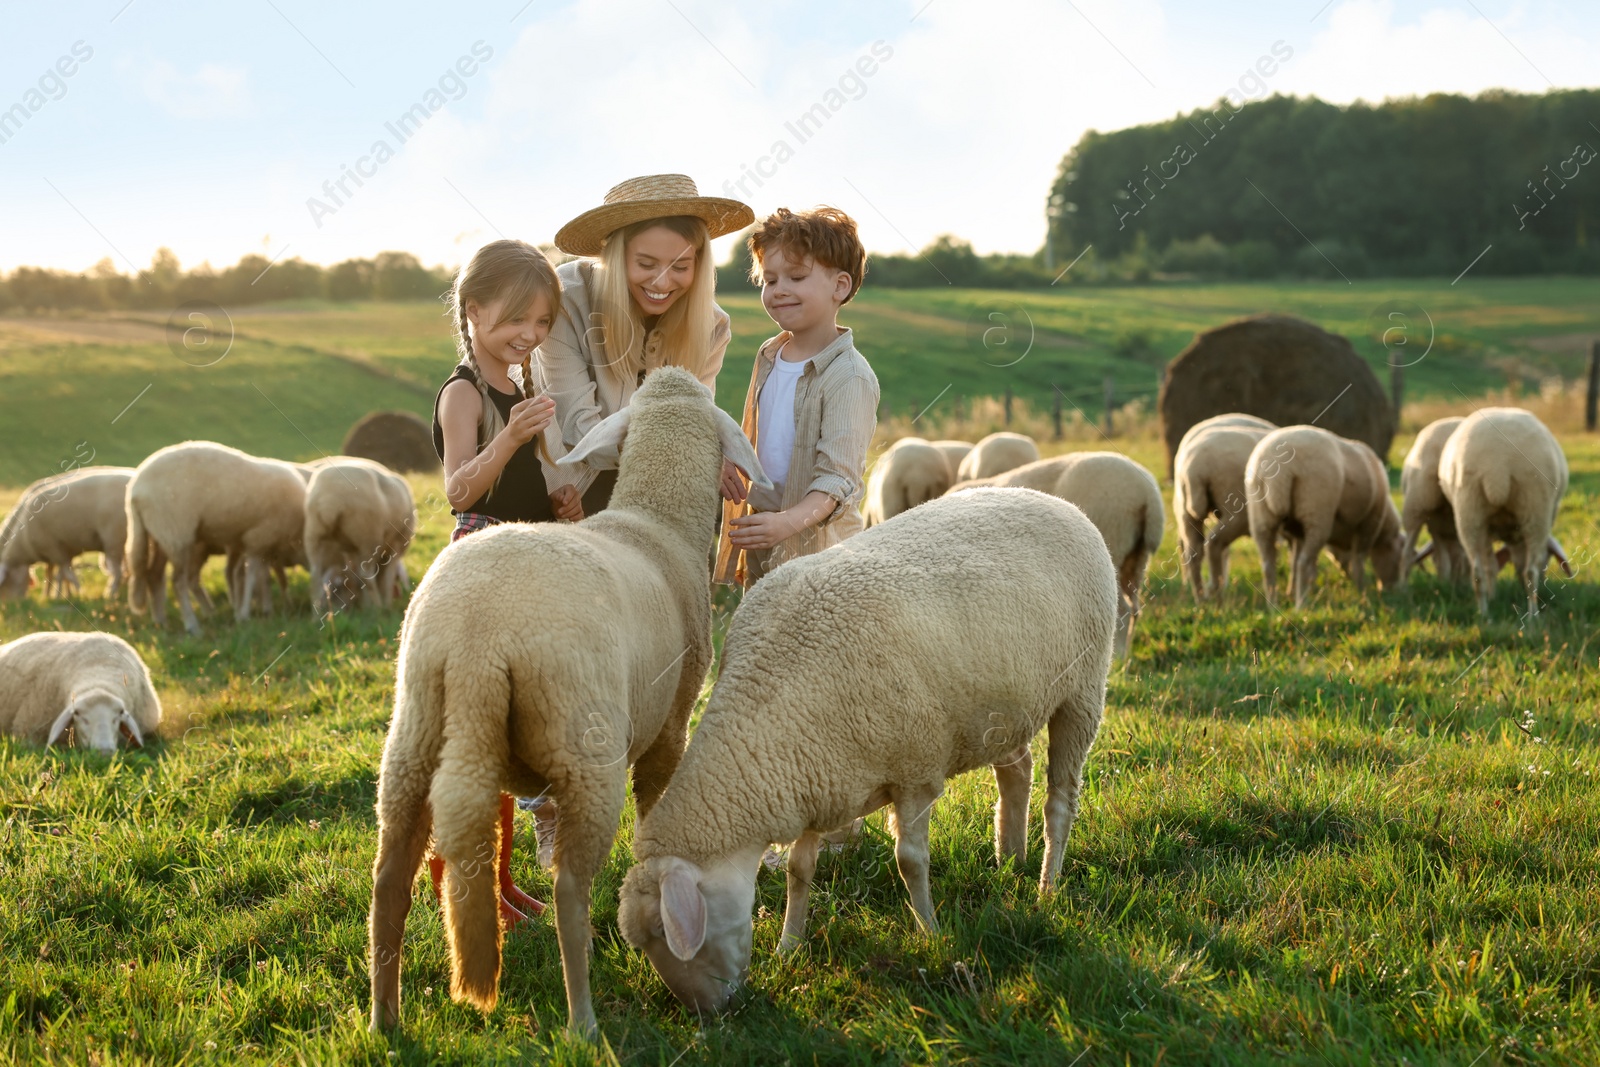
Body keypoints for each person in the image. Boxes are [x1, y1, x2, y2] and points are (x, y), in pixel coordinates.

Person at [427, 238, 581, 929]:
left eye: (543, 322)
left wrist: (560, 497)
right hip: (482, 566)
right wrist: (512, 437)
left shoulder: (519, 388)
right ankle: (460, 880)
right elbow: (461, 487)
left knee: (507, 743)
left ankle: (503, 878)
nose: (530, 334)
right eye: (517, 318)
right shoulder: (463, 392)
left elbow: (525, 478)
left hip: (524, 559)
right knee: (474, 741)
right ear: (473, 310)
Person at [538, 173, 755, 515]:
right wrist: (687, 450)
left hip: (650, 489)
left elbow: (693, 415)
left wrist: (707, 450)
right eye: (645, 264)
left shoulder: (712, 327)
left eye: (680, 266)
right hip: (562, 491)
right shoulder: (566, 300)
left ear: (698, 264)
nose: (662, 282)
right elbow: (579, 429)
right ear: (614, 255)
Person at [716, 206, 880, 588]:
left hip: (818, 545)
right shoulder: (769, 355)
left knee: (814, 637)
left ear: (840, 286)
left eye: (797, 276)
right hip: (764, 521)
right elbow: (757, 432)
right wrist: (732, 458)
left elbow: (837, 480)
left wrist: (785, 524)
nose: (779, 290)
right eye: (770, 280)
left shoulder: (849, 377)